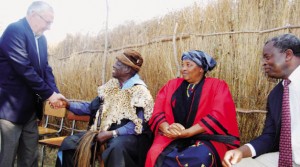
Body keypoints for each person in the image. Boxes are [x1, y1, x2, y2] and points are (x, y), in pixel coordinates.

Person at [56, 49, 154, 167]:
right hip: (103, 133)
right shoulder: (111, 87)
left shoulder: (140, 92)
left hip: (127, 136)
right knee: (70, 144)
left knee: (116, 149)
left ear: (127, 69)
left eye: (118, 63)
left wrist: (112, 134)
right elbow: (91, 107)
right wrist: (68, 104)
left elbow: (137, 125)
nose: (113, 65)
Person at [145, 50, 240, 167]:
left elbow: (218, 115)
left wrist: (187, 133)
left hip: (205, 137)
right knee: (154, 153)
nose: (183, 69)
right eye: (183, 65)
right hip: (171, 135)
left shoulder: (218, 86)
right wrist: (167, 129)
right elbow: (158, 111)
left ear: (201, 69)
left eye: (188, 65)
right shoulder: (171, 85)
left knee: (202, 157)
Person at [0, 1, 65, 167]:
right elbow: (24, 69)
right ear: (33, 15)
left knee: (30, 157)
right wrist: (49, 94)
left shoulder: (41, 39)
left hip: (30, 109)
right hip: (10, 110)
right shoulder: (15, 30)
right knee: (6, 158)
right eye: (47, 21)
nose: (49, 26)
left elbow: (45, 68)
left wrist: (55, 93)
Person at [222, 34, 300, 167]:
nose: (263, 62)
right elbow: (269, 136)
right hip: (288, 158)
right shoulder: (276, 94)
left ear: (288, 55)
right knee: (238, 165)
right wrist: (241, 151)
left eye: (267, 57)